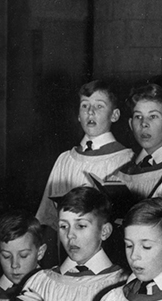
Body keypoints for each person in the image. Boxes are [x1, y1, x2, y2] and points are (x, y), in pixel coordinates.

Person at [36, 81, 133, 225]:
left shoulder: (126, 159)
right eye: (85, 105)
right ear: (78, 116)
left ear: (114, 115)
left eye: (99, 106)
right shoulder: (65, 160)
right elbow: (46, 216)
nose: (90, 112)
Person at [115, 83, 162, 198]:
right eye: (138, 117)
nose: (144, 124)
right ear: (131, 125)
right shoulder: (123, 172)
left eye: (153, 116)